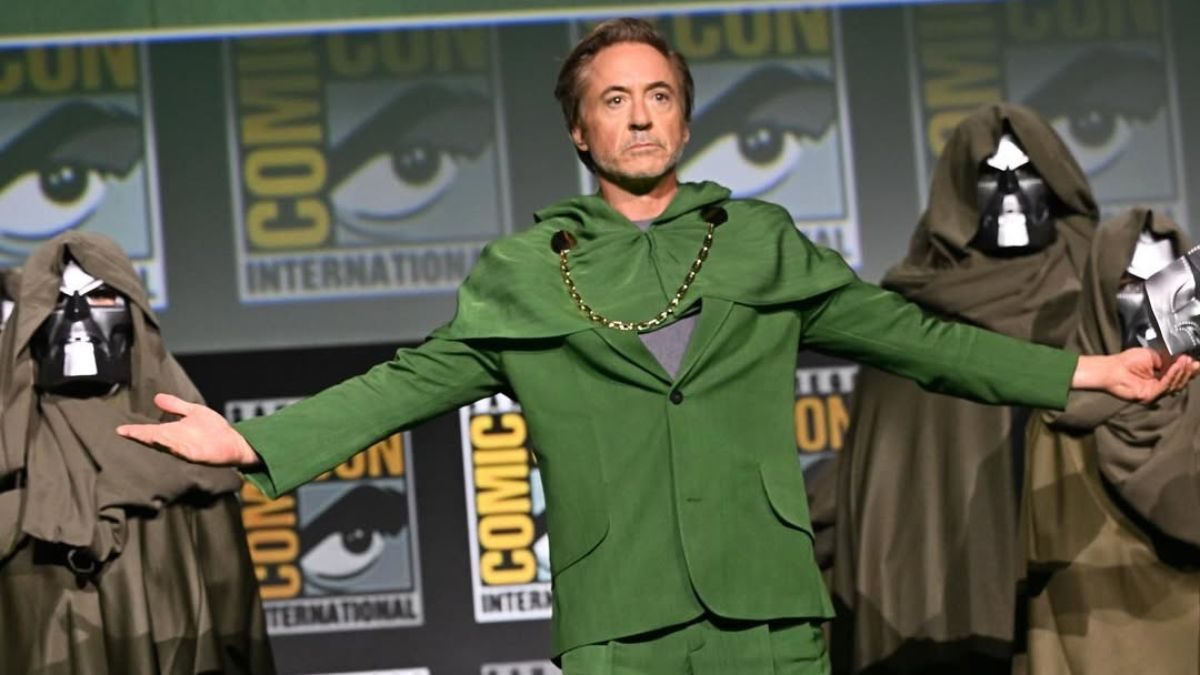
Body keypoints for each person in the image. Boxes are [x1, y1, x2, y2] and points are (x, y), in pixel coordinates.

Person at [117, 19, 1194, 675]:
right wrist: (253, 444)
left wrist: (1087, 371)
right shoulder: (522, 272)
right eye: (615, 100)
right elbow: (410, 382)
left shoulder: (759, 241)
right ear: (579, 129)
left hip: (768, 611)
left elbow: (916, 339)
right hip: (620, 618)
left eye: (660, 97)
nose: (640, 118)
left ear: (684, 121)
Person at [830, 103, 1099, 675]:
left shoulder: (1099, 296)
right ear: (960, 195)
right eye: (991, 177)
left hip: (1083, 583)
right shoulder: (915, 315)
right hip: (947, 612)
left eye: (1025, 174)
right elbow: (889, 489)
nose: (1009, 195)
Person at [0, 232, 275, 674]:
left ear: (132, 312)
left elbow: (230, 599)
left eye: (100, 297)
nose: (78, 315)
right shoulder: (11, 437)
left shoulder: (182, 436)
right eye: (58, 300)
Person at [1022, 209, 1200, 674]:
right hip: (1094, 637)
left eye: (1165, 285)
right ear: (1101, 291)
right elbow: (1045, 563)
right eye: (1129, 285)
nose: (1148, 304)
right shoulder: (1061, 414)